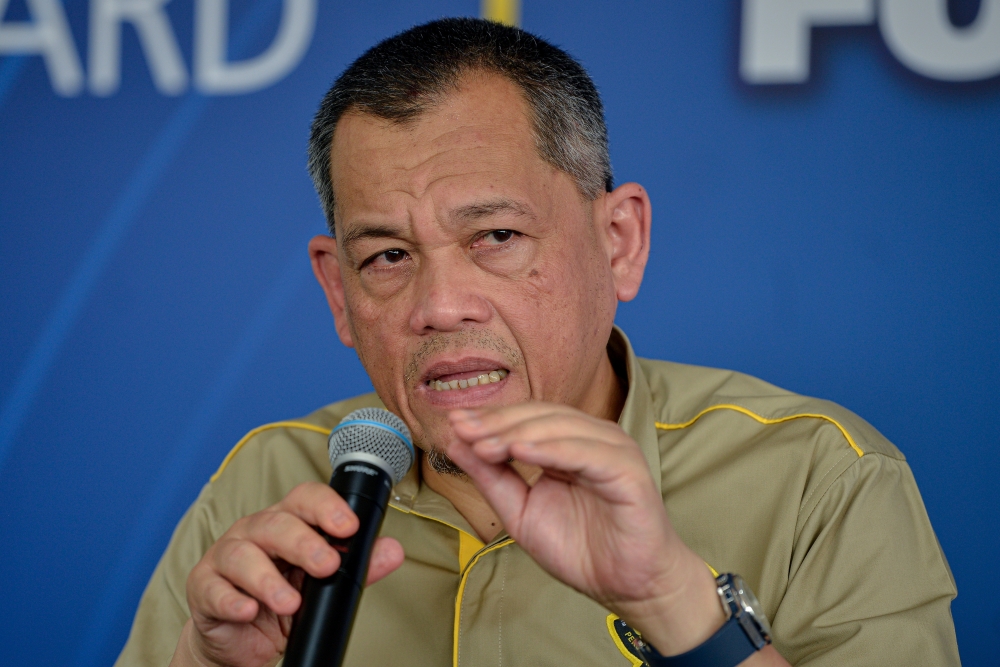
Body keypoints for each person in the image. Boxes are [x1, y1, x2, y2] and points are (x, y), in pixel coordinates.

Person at [116, 18, 960, 667]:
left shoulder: (823, 478)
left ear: (620, 240)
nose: (440, 305)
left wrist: (676, 600)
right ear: (339, 292)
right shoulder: (266, 485)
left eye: (496, 237)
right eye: (387, 257)